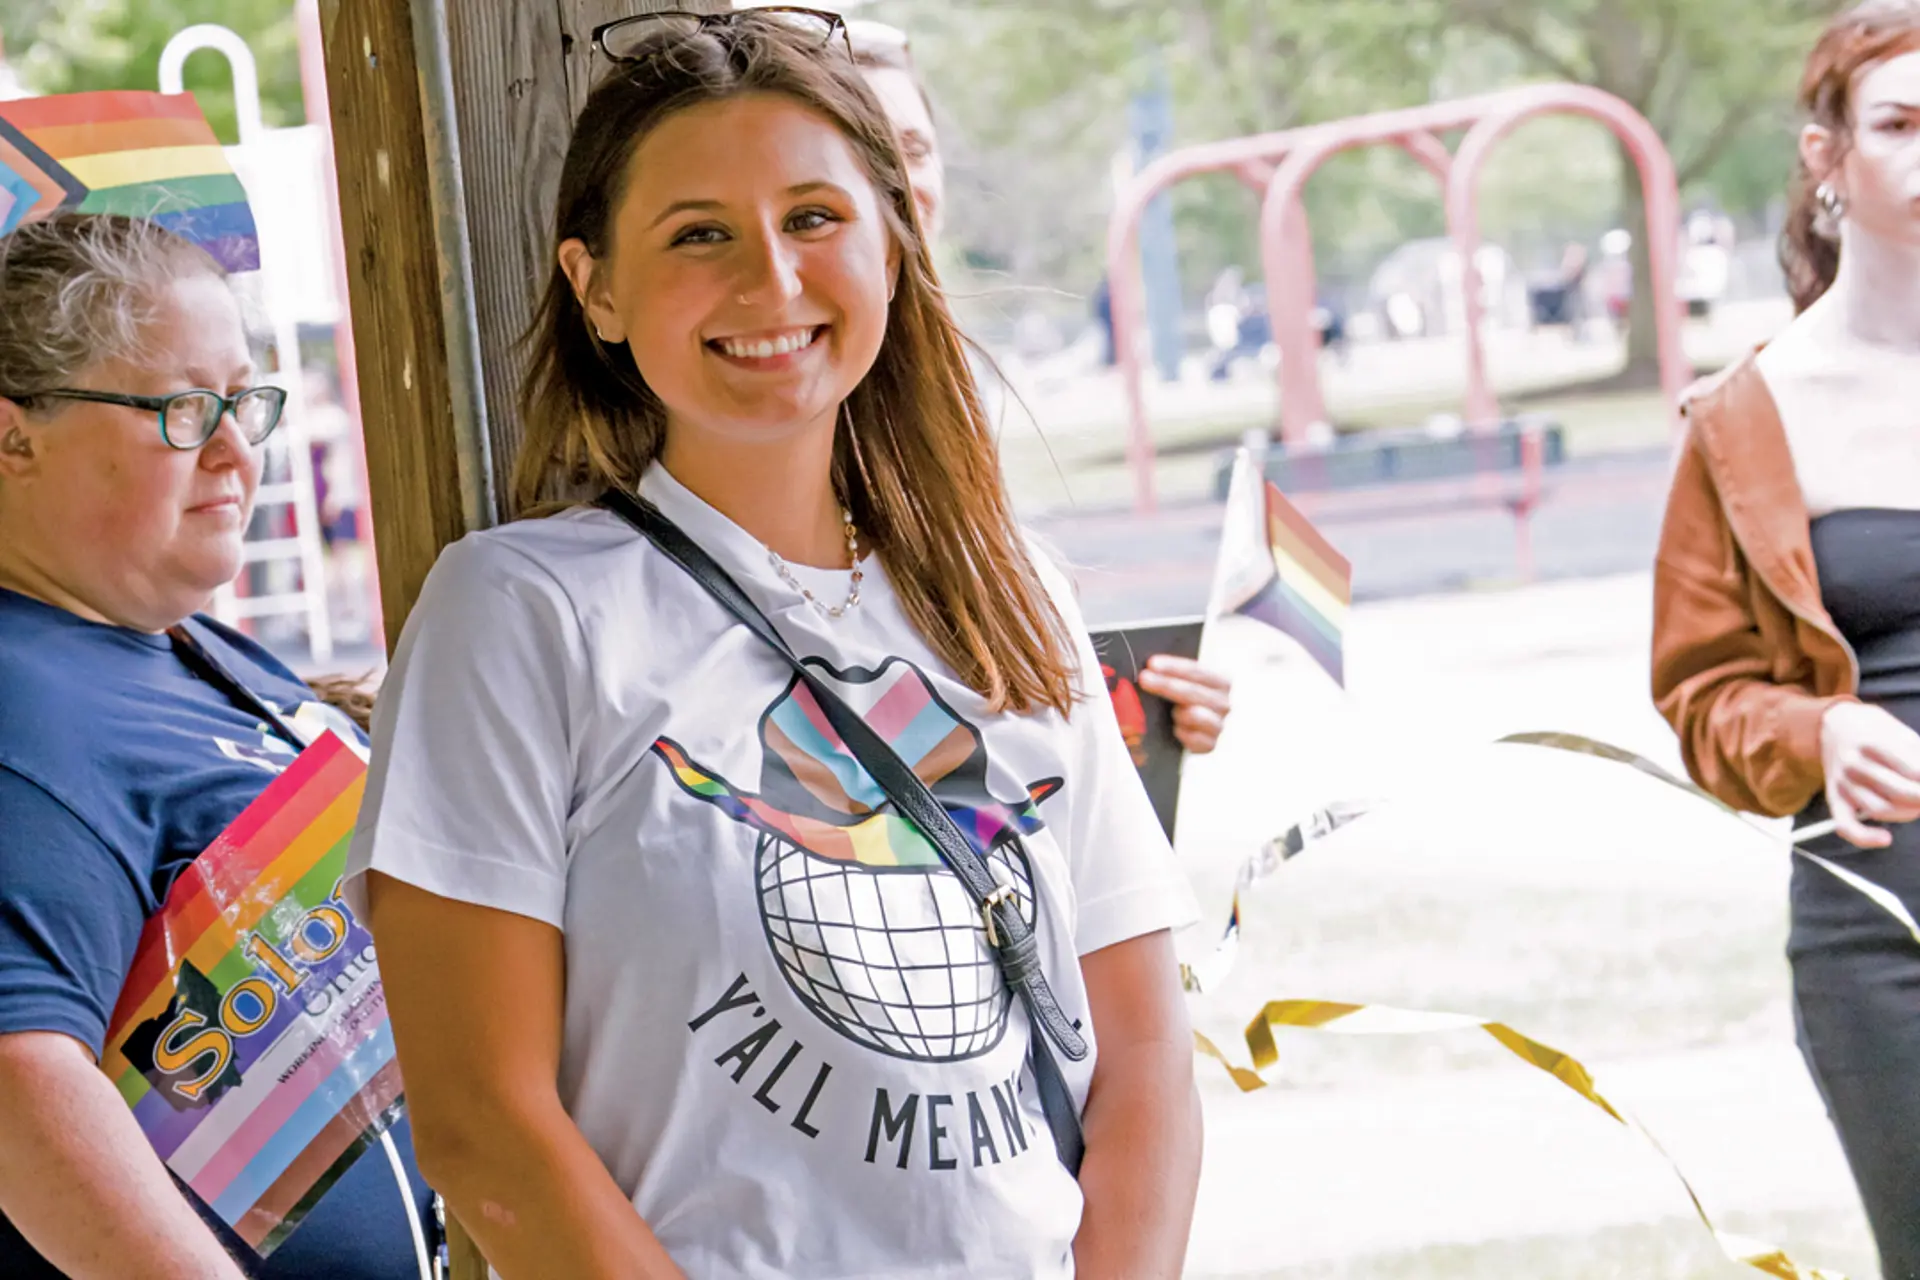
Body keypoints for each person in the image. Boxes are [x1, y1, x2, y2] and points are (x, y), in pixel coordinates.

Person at [348, 11, 1203, 1278]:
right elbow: (484, 1127)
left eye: (814, 218)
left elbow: (1143, 1057)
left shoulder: (1007, 592)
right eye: (700, 234)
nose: (774, 282)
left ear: (895, 246)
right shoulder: (520, 613)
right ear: (597, 288)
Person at [0, 213, 434, 1277]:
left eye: (243, 400)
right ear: (14, 437)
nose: (239, 447)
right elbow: (18, 1076)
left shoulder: (179, 644)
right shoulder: (23, 706)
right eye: (183, 409)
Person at [1650, 3, 1920, 1273]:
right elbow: (1703, 697)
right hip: (1881, 938)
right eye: (1901, 124)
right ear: (1828, 158)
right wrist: (1822, 727)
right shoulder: (1745, 416)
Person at [850, 19, 1236, 755]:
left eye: (913, 149)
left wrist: (1132, 708)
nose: (896, 179)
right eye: (859, 150)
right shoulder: (796, 396)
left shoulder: (955, 378)